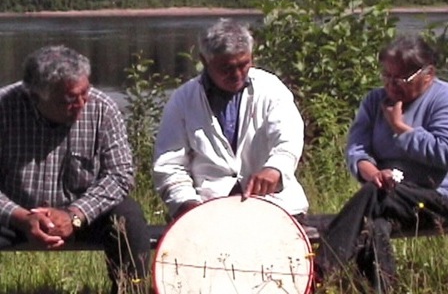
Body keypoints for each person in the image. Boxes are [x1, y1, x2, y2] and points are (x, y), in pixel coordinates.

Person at [0, 45, 151, 294]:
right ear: (35, 96)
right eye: (70, 100)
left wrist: (74, 215)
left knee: (128, 216)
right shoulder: (5, 108)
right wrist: (22, 218)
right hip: (14, 215)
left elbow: (120, 175)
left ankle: (132, 290)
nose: (82, 104)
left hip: (83, 215)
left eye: (85, 92)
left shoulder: (103, 109)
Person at [314, 35, 448, 292]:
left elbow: (444, 152)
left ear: (427, 75)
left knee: (374, 196)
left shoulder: (443, 99)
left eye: (399, 79)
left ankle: (321, 270)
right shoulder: (375, 101)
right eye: (386, 76)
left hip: (435, 198)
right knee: (375, 225)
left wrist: (401, 129)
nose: (390, 85)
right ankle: (381, 289)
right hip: (388, 197)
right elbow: (357, 148)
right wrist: (372, 171)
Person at [153, 18, 309, 225]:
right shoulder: (183, 100)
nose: (237, 74)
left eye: (244, 65)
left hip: (274, 205)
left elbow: (288, 139)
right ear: (204, 60)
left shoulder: (271, 88)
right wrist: (187, 204)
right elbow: (169, 164)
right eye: (226, 68)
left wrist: (275, 169)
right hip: (207, 210)